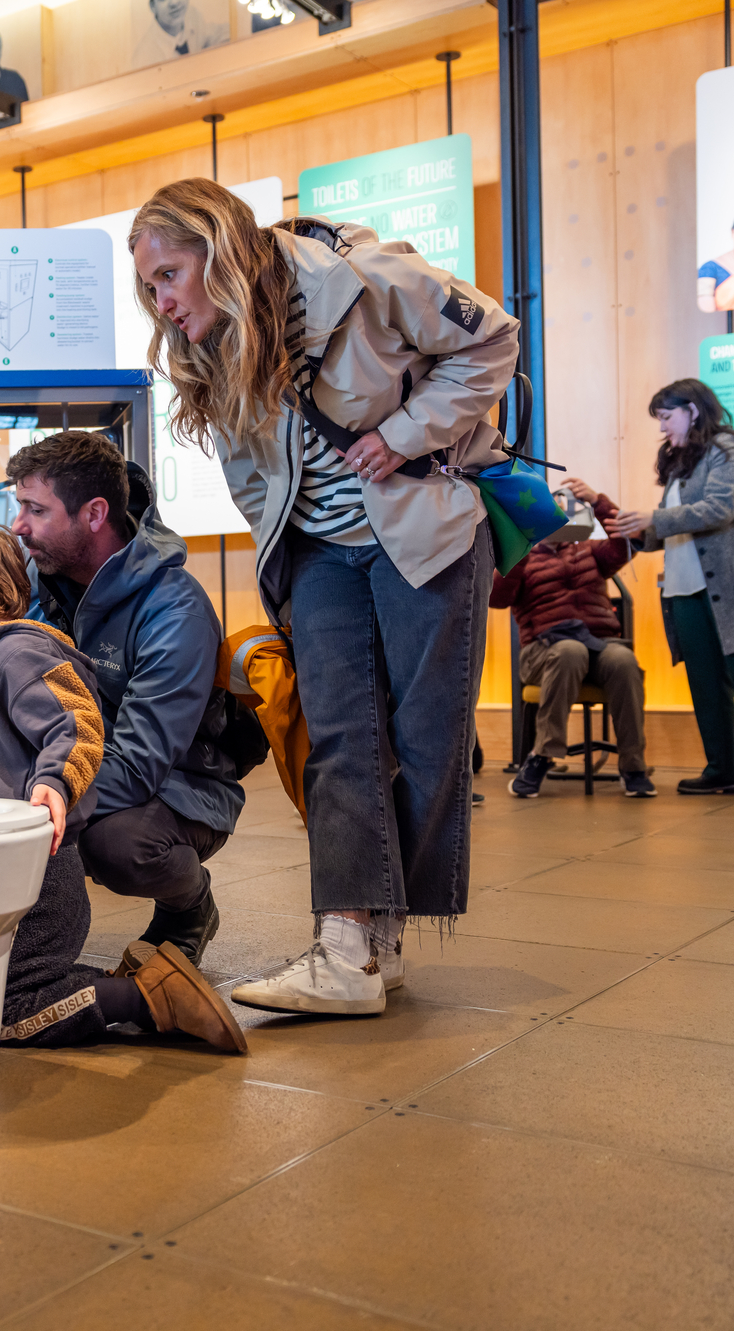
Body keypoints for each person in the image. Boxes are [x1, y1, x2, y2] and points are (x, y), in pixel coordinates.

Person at [129, 179, 519, 1016]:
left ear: (218, 250)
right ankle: (345, 949)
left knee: (425, 740)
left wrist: (404, 434)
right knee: (337, 739)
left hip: (426, 537)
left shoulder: (365, 278)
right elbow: (246, 471)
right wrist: (282, 544)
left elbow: (491, 338)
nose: (161, 303)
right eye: (149, 287)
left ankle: (381, 943)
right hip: (318, 556)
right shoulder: (211, 346)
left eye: (168, 275)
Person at [0, 432, 244, 966]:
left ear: (94, 513)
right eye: (20, 506)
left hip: (176, 786)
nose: (18, 525)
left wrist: (20, 808)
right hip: (61, 756)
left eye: (36, 510)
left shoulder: (174, 614)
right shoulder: (41, 569)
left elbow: (137, 763)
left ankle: (190, 904)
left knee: (118, 846)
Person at [0, 525, 245, 1052]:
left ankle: (153, 999)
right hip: (3, 869)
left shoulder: (19, 656)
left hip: (38, 878)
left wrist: (56, 784)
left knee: (11, 1009)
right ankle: (136, 977)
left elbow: (78, 724)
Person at [606, 380, 734, 801]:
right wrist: (640, 531)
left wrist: (652, 521)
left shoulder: (733, 447)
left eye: (666, 417)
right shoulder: (682, 460)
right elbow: (675, 522)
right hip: (683, 586)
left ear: (693, 410)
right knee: (706, 684)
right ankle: (723, 770)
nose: (662, 428)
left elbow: (718, 509)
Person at [494, 477, 653, 798]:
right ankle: (542, 755)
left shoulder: (589, 552)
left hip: (599, 643)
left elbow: (626, 542)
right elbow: (496, 598)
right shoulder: (523, 557)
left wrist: (598, 501)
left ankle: (633, 764)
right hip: (546, 649)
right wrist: (523, 545)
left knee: (623, 659)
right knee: (569, 651)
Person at [134, 0, 228, 64]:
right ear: (152, 6)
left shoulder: (192, 15)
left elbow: (219, 33)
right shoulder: (144, 58)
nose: (174, 2)